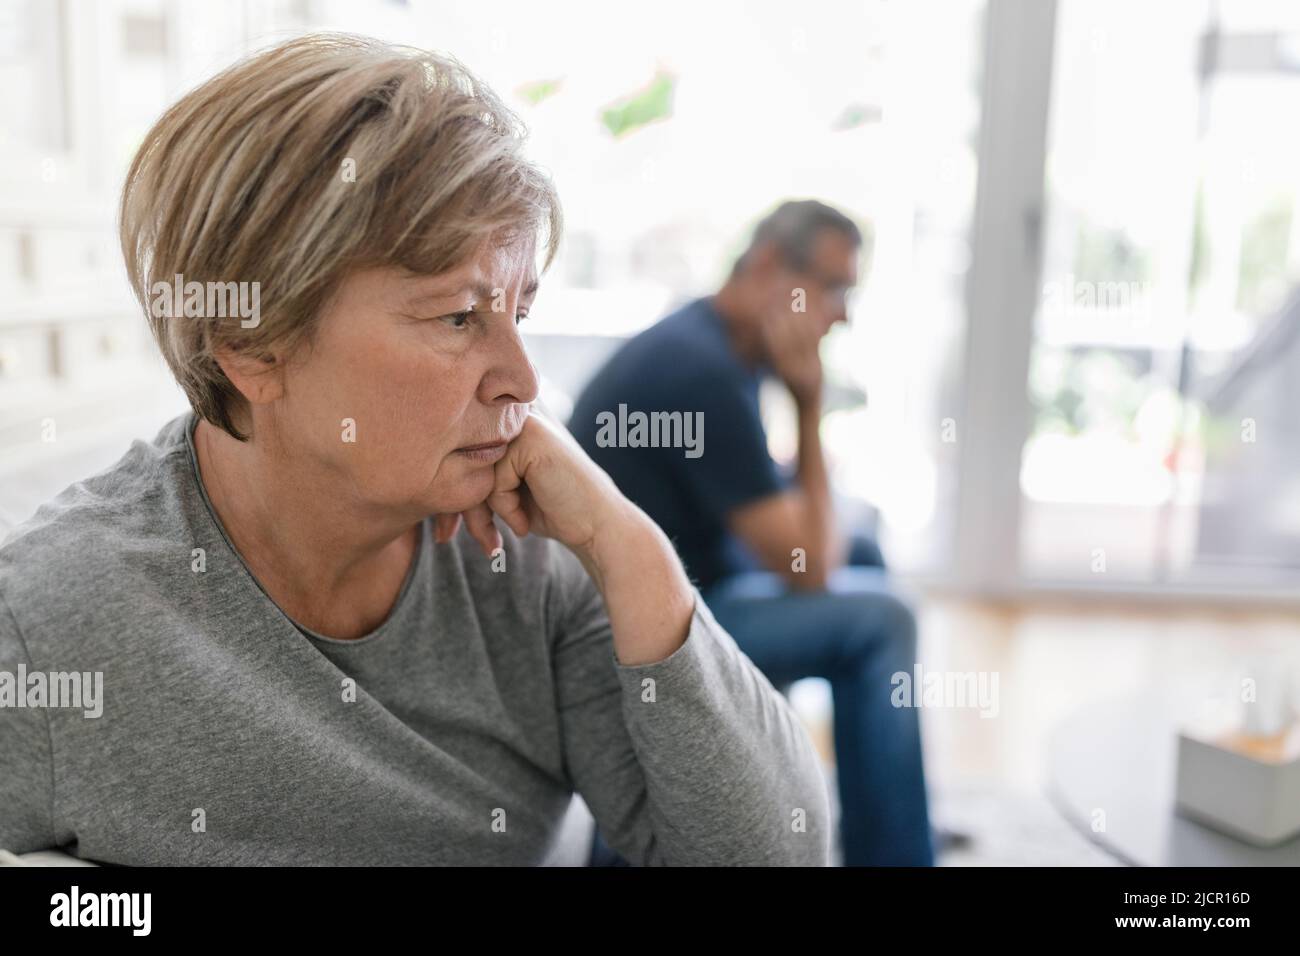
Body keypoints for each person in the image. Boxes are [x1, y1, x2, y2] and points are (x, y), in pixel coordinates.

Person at [0, 36, 831, 866]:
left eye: (519, 311)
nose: (523, 380)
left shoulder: (530, 560)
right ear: (251, 345)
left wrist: (628, 545)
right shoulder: (52, 622)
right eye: (458, 318)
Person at [570, 200, 934, 865]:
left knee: (866, 546)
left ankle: (880, 822)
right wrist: (809, 403)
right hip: (643, 628)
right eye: (833, 287)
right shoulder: (699, 373)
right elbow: (809, 568)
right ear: (768, 265)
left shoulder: (711, 342)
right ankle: (896, 854)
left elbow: (774, 515)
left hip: (683, 583)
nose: (843, 313)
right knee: (885, 620)